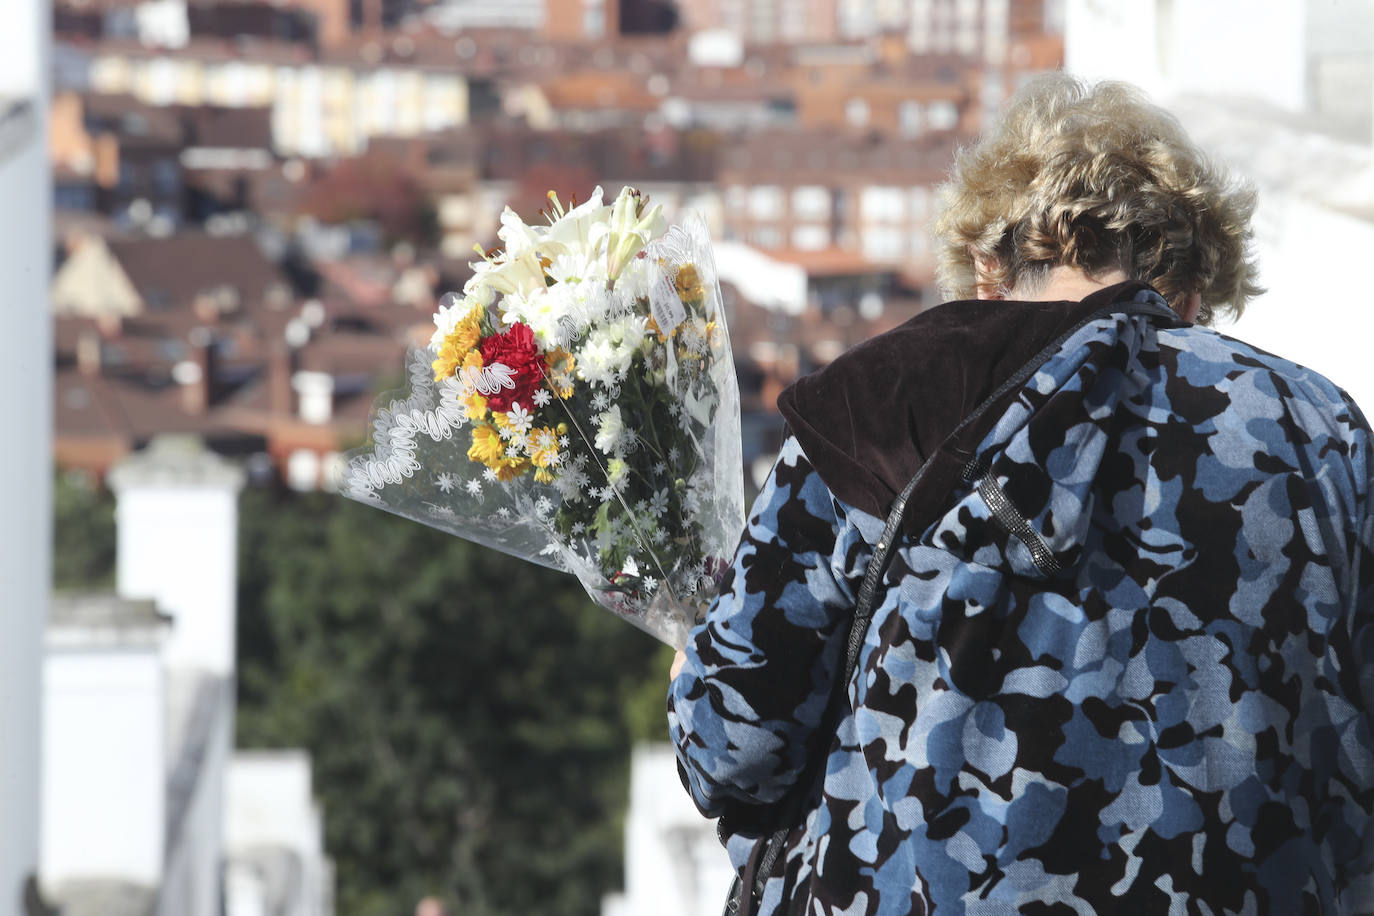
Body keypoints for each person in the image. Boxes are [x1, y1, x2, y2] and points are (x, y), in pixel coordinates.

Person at [668, 73, 1374, 914]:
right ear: (1192, 294)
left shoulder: (875, 402)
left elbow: (734, 750)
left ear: (985, 271)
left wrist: (691, 671)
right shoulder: (1320, 429)